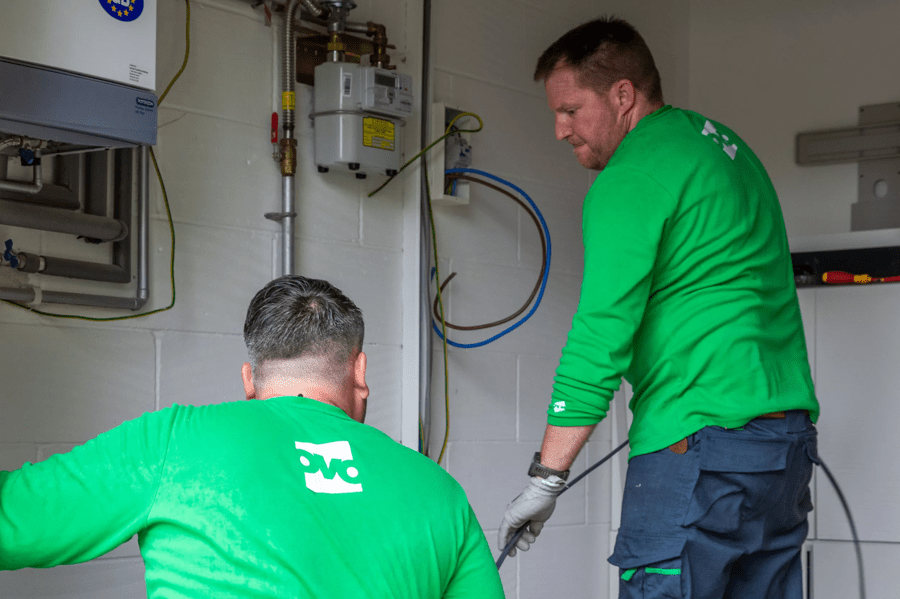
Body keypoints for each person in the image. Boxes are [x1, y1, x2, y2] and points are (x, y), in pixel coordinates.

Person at [498, 16, 820, 599]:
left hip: (697, 448)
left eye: (571, 110)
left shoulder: (632, 175)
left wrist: (548, 478)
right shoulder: (723, 148)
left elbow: (600, 337)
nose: (559, 129)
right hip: (782, 449)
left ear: (623, 95)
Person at [0, 275, 504, 598]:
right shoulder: (440, 492)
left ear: (250, 379)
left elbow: (12, 524)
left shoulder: (173, 441)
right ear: (360, 371)